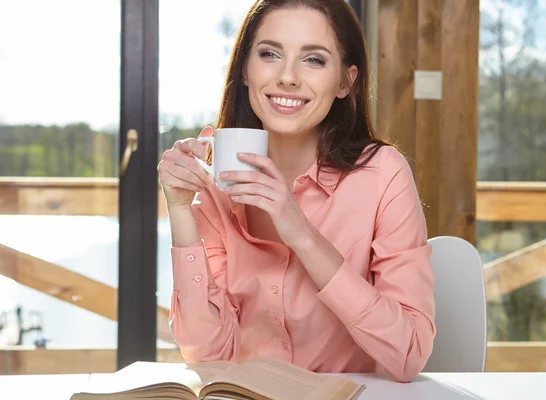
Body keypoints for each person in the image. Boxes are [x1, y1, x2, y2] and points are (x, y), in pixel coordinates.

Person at [157, 0, 435, 383]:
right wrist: (180, 211)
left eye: (314, 60)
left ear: (345, 81)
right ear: (246, 72)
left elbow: (409, 354)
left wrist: (301, 234)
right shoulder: (218, 176)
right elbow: (208, 355)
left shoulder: (382, 173)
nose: (287, 77)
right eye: (270, 54)